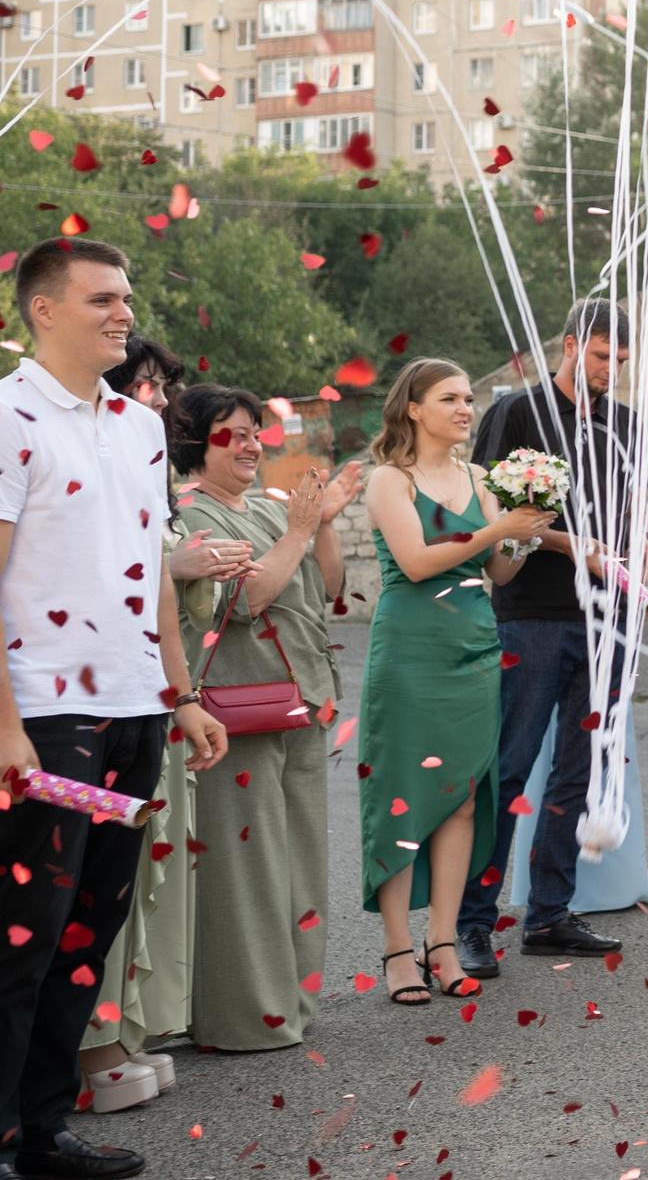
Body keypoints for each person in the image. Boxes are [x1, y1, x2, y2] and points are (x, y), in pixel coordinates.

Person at [0, 236, 226, 1180]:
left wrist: (180, 697)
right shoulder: (9, 414)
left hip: (134, 712)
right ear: (43, 309)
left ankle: (45, 1130)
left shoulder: (138, 426)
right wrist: (6, 725)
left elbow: (151, 578)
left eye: (125, 296)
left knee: (93, 924)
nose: (122, 312)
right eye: (101, 298)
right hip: (48, 718)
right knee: (24, 933)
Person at [81, 342, 249, 1114]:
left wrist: (181, 696)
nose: (159, 401)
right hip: (79, 696)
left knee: (141, 875)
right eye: (145, 386)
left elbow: (161, 607)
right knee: (85, 883)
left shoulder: (144, 468)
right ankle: (89, 1046)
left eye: (163, 389)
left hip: (151, 693)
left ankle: (128, 1030)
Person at [167, 386, 362, 1051]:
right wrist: (302, 531)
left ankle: (294, 999)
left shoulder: (269, 509)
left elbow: (327, 586)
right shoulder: (189, 514)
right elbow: (246, 599)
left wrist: (323, 523)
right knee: (245, 867)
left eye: (255, 432)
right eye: (234, 434)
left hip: (299, 699)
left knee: (300, 860)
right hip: (238, 703)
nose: (251, 445)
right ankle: (247, 1014)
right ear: (197, 442)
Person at [453, 304, 641, 980]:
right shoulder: (517, 411)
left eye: (621, 359)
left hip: (608, 618)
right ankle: (471, 922)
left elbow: (635, 510)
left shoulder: (627, 421)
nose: (611, 369)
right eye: (599, 355)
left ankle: (549, 913)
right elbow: (487, 507)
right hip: (531, 613)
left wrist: (633, 571)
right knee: (508, 765)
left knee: (578, 769)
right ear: (567, 345)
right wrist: (570, 544)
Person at [361, 359, 553, 1005]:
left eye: (468, 397)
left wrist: (526, 527)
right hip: (412, 650)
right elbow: (416, 562)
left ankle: (441, 942)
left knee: (464, 798)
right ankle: (395, 948)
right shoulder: (389, 479)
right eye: (450, 397)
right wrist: (499, 527)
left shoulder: (478, 477)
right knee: (403, 795)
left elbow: (499, 571)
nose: (465, 408)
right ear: (413, 407)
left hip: (474, 646)